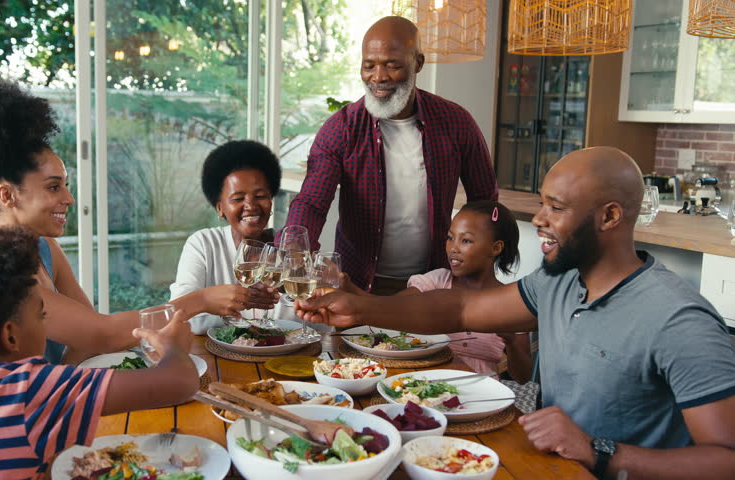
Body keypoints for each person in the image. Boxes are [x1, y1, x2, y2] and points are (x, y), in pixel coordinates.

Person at [296, 147, 735, 479]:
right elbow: (464, 307)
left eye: (556, 208)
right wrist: (361, 308)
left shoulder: (679, 321)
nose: (539, 220)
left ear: (610, 216)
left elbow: (726, 460)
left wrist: (601, 450)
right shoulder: (559, 281)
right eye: (542, 204)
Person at [0, 81, 245, 366]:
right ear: (8, 195)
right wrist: (199, 301)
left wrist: (72, 378)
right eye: (54, 187)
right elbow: (104, 333)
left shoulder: (45, 248)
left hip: (56, 402)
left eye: (66, 185)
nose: (69, 199)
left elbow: (91, 338)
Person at [0, 226, 199, 478]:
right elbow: (180, 381)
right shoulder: (25, 388)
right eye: (41, 315)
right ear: (10, 335)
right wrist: (172, 346)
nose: (45, 324)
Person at [282, 15, 498, 295]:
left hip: (433, 285)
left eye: (392, 65)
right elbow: (312, 200)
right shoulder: (341, 128)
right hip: (357, 287)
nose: (378, 77)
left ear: (417, 63)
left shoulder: (456, 122)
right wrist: (294, 247)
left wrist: (479, 269)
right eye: (368, 66)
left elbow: (485, 200)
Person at [340, 200, 532, 381]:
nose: (453, 248)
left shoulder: (512, 300)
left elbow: (522, 376)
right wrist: (351, 290)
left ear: (496, 248)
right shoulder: (437, 281)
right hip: (425, 388)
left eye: (466, 241)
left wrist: (512, 342)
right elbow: (391, 308)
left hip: (481, 397)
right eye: (450, 238)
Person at [170, 140, 282, 334]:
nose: (251, 206)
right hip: (215, 359)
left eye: (260, 196)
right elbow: (181, 317)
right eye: (238, 199)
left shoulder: (289, 250)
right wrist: (230, 305)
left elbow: (312, 324)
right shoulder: (204, 244)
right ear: (220, 208)